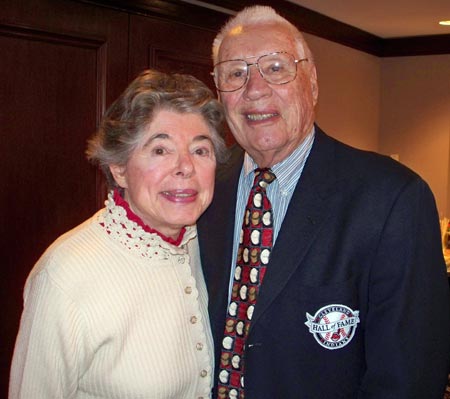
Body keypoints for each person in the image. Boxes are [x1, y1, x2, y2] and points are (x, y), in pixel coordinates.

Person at [197, 5, 450, 399]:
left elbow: (408, 379)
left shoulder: (392, 199)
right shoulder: (202, 189)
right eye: (235, 73)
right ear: (220, 94)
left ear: (312, 83)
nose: (255, 89)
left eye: (275, 67)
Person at [9, 69, 227, 399]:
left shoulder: (206, 245)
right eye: (160, 150)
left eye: (200, 150)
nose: (185, 167)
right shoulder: (65, 275)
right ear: (119, 168)